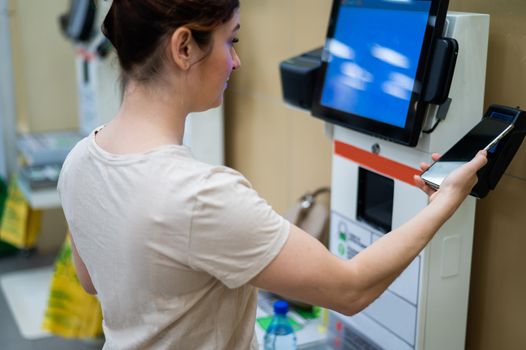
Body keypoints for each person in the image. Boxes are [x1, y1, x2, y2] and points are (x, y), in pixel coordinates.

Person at [57, 1, 488, 349]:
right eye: (232, 40)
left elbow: (92, 280)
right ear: (184, 47)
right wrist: (446, 199)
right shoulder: (198, 194)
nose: (237, 61)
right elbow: (351, 290)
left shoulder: (79, 161)